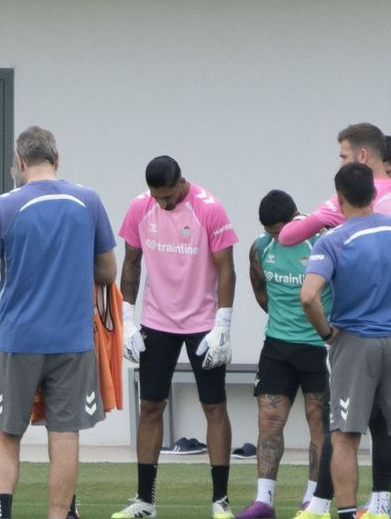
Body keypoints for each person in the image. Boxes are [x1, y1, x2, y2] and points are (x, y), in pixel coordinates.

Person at [285, 124, 391, 518]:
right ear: (376, 193)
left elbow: (308, 295)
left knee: (344, 435)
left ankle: (345, 512)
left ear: (338, 199)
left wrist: (325, 333)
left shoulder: (334, 239)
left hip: (354, 341)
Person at [0, 126, 117, 519]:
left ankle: (0, 513)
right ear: (57, 157)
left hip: (15, 337)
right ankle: (58, 515)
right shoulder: (89, 200)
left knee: (6, 431)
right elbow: (107, 270)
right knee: (65, 433)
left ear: (20, 161)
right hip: (71, 339)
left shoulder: (4, 206)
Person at [114, 156, 237, 519]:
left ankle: (220, 502)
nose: (163, 204)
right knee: (150, 406)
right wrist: (127, 319)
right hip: (157, 320)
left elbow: (226, 269)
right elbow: (131, 262)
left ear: (181, 182)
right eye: (157, 197)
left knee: (214, 406)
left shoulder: (209, 208)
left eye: (167, 197)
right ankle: (145, 501)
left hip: (202, 323)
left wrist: (223, 326)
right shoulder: (141, 207)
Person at [235, 190, 328, 519]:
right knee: (269, 421)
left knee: (319, 422)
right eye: (270, 231)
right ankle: (264, 501)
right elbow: (259, 286)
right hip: (277, 346)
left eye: (279, 230)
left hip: (319, 346)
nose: (276, 237)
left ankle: (313, 500)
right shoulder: (261, 247)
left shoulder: (320, 243)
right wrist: (281, 319)